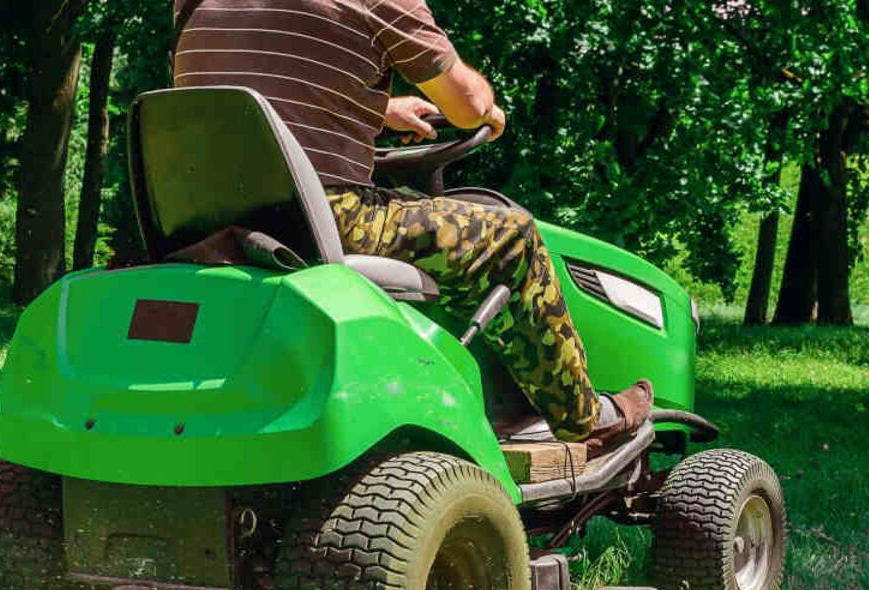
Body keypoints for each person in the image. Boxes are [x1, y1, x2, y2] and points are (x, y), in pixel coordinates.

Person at [171, 0, 652, 448]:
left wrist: (378, 108)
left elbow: (255, 86)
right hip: (320, 219)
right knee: (513, 237)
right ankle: (583, 418)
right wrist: (485, 106)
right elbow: (465, 104)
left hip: (199, 221)